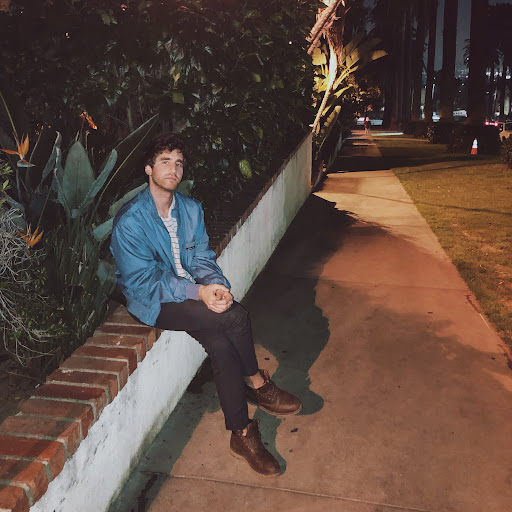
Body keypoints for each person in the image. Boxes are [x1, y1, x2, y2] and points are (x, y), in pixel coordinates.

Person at [110, 133, 302, 476]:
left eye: (179, 163)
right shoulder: (130, 221)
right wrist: (196, 293)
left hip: (193, 292)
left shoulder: (190, 209)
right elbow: (144, 281)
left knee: (221, 345)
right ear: (149, 169)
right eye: (165, 162)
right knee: (236, 317)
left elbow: (201, 257)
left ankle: (241, 434)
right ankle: (257, 383)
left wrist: (215, 285)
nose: (173, 169)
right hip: (155, 300)